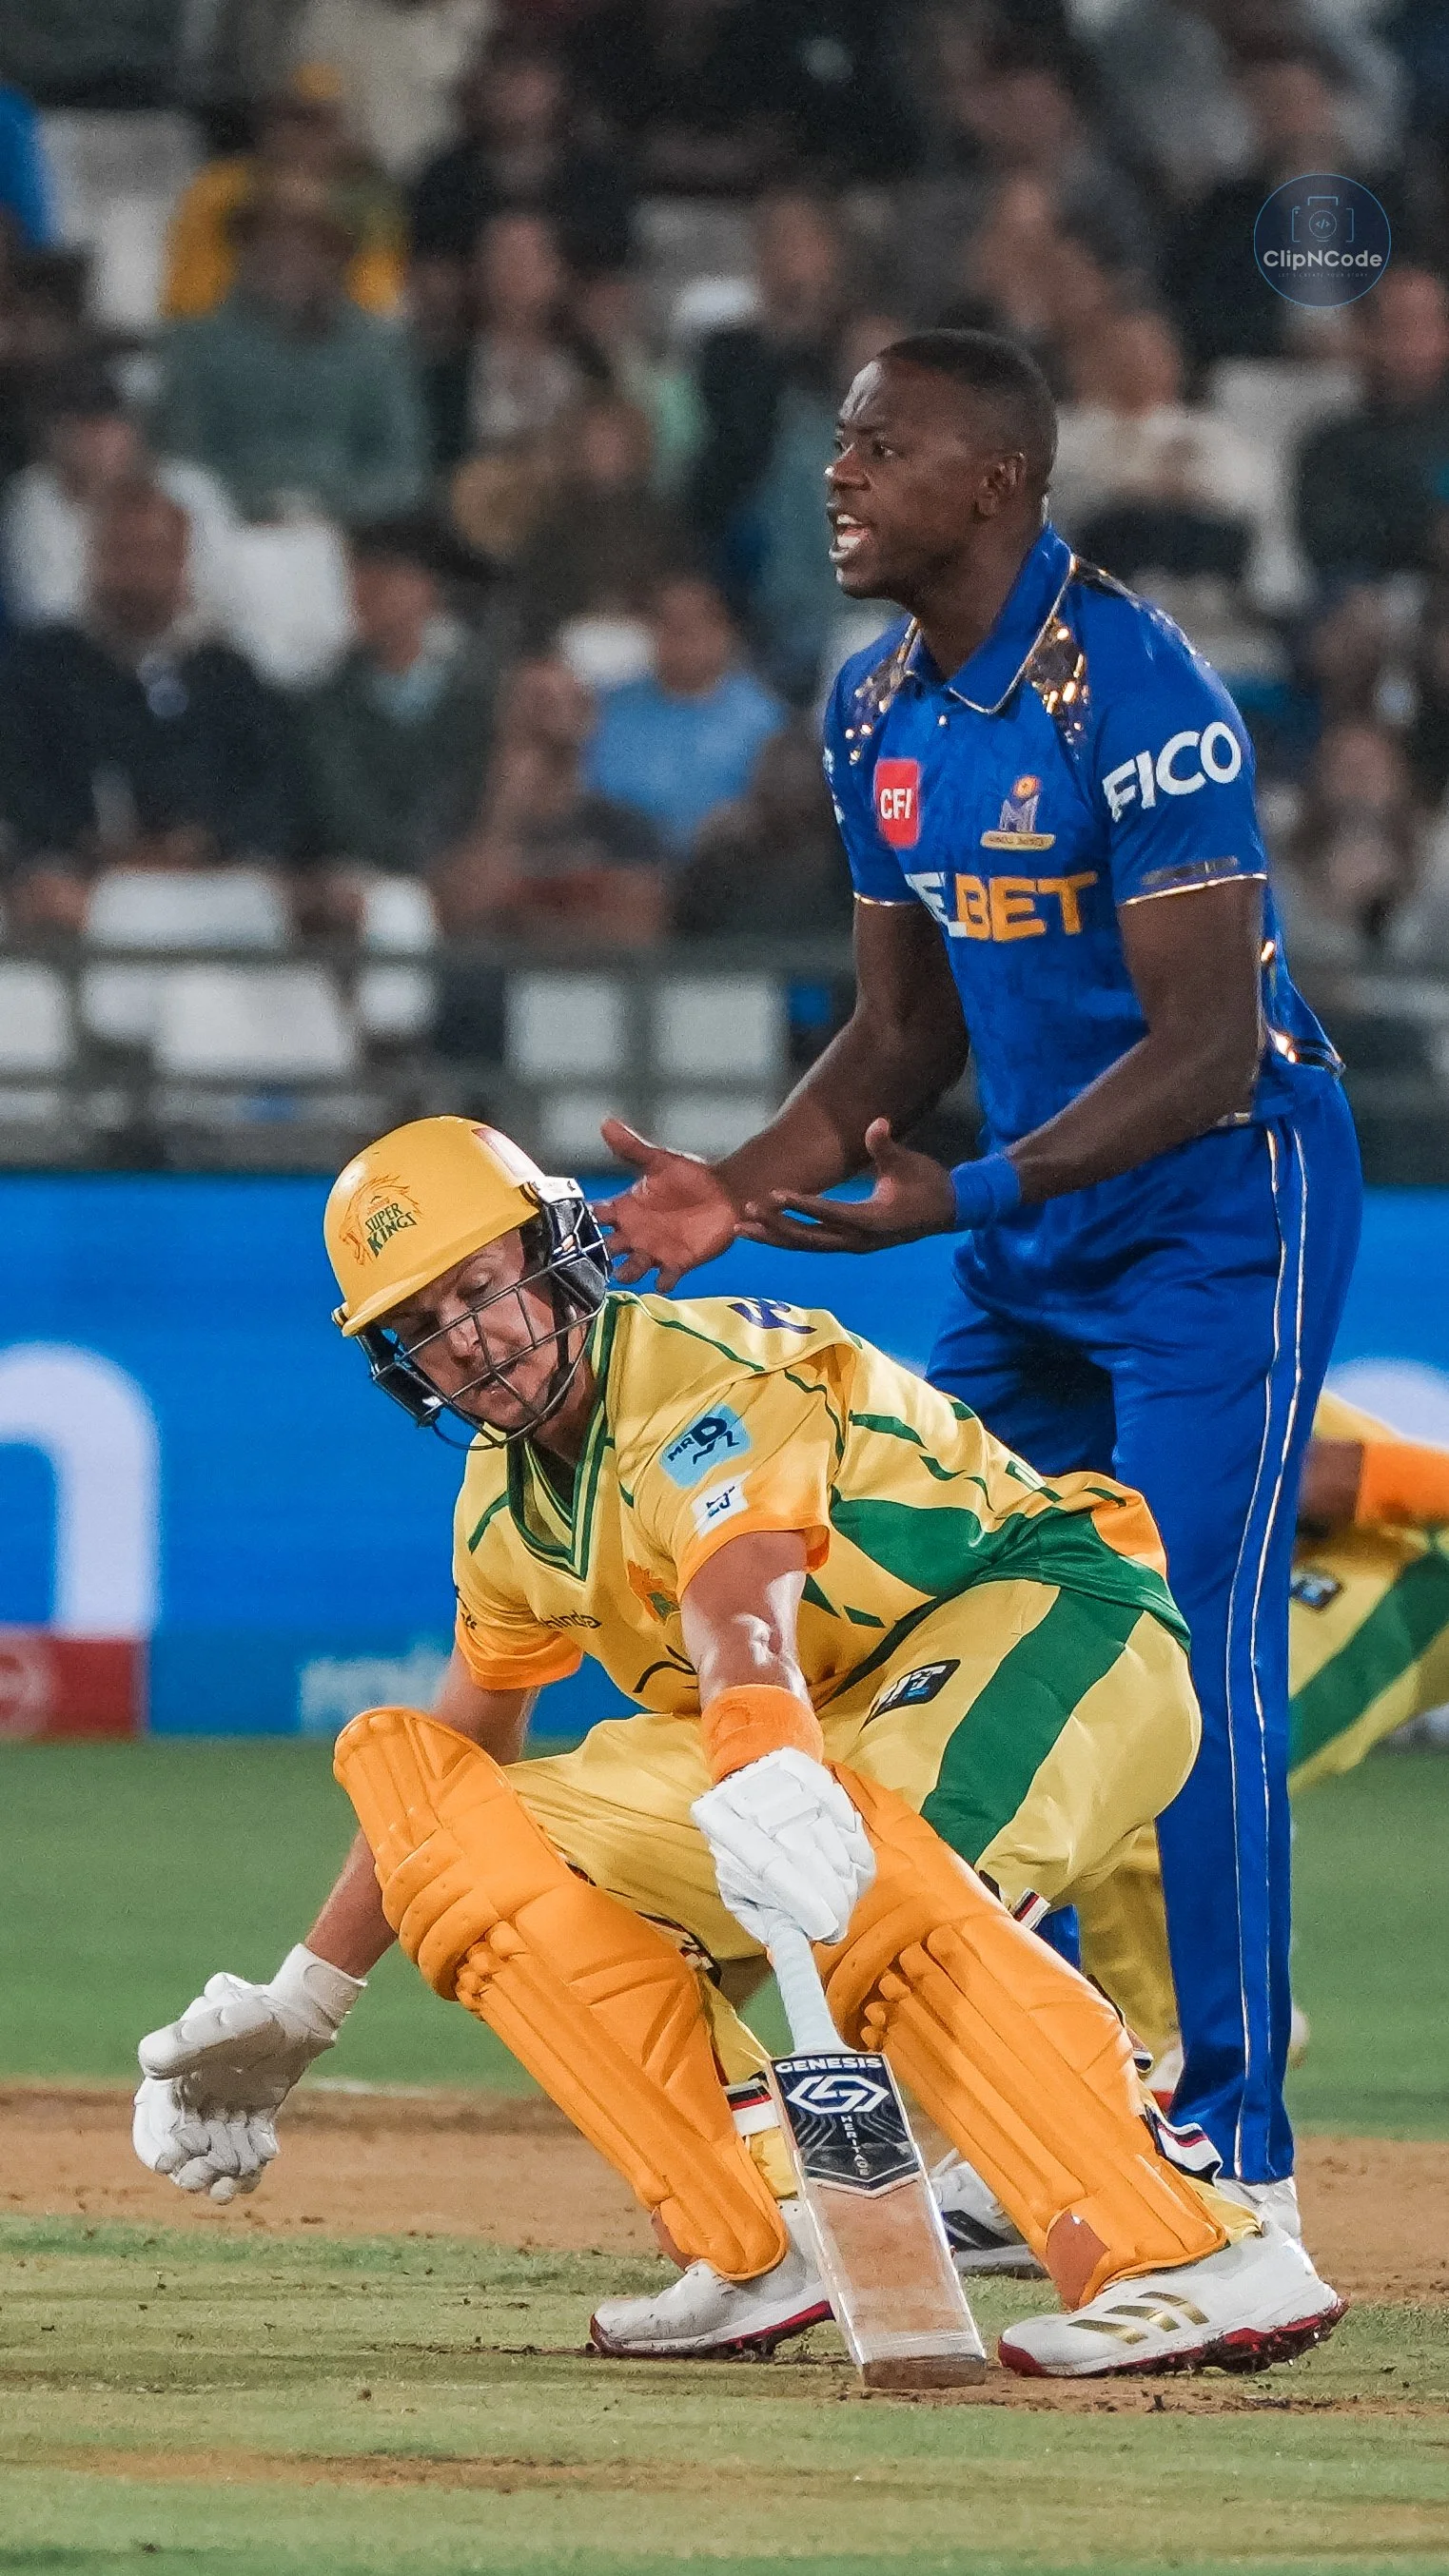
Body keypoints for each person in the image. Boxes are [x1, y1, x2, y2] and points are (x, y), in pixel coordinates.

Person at [130, 1115, 1344, 2378]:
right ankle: (765, 2236)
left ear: (556, 1255)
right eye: (424, 1321)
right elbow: (465, 1748)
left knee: (869, 1877)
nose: (469, 1340)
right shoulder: (502, 1510)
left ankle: (1194, 2251)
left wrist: (766, 1759)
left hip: (1044, 1627)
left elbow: (738, 1604)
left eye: (481, 1287)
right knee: (446, 1823)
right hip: (818, 1722)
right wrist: (302, 2002)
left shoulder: (705, 1382)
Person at [597, 328, 1364, 2230]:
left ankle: (1238, 2160)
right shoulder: (870, 715)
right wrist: (732, 1184)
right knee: (905, 1635)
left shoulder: (1141, 689)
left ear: (994, 483)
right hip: (1022, 1230)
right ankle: (984, 2092)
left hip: (1221, 1213)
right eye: (840, 444)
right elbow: (883, 1045)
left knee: (1187, 1654)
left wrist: (965, 1195)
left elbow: (1197, 1053)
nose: (836, 476)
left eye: (878, 447)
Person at [1078, 1392, 1449, 2098]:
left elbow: (1326, 1474)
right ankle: (1170, 2039)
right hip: (1336, 1537)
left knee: (1157, 1776)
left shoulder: (1149, 1323)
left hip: (1399, 1550)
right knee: (1107, 1773)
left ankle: (1181, 2066)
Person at [0, 482, 298, 930]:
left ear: (182, 561)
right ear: (93, 557)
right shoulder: (41, 670)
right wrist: (96, 847)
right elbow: (23, 786)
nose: (136, 569)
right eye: (121, 551)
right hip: (81, 890)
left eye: (153, 551)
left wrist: (201, 843)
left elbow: (265, 791)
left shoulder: (228, 676)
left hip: (212, 884)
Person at [153, 186, 427, 527]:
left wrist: (328, 509)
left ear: (338, 257)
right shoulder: (196, 346)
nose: (289, 255)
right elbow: (185, 460)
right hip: (230, 533)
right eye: (269, 240)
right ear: (243, 251)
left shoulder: (377, 349)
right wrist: (264, 507)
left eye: (311, 245)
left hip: (357, 538)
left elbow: (403, 468)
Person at [296, 515, 505, 906]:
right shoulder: (324, 703)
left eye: (389, 578)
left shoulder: (479, 699)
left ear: (428, 589)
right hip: (359, 886)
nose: (370, 593)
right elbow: (339, 807)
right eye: (360, 579)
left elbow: (478, 795)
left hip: (461, 886)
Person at [431, 654, 666, 944]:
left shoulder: (623, 826)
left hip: (591, 983)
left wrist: (520, 907)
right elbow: (452, 912)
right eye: (537, 701)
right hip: (491, 980)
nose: (547, 715)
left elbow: (637, 930)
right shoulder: (458, 813)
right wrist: (505, 812)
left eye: (569, 700)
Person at [1, 359, 236, 636]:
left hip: (187, 651)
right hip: (78, 663)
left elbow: (225, 593)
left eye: (109, 422)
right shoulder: (34, 499)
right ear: (53, 434)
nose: (97, 438)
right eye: (81, 425)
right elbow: (47, 608)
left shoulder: (190, 487)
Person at [162, 62, 405, 322]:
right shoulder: (217, 187)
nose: (302, 136)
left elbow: (377, 299)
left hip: (332, 347)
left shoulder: (372, 200)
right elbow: (190, 292)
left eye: (319, 123)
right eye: (291, 118)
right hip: (230, 342)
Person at [583, 572, 787, 853]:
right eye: (667, 626)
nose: (678, 642)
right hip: (614, 859)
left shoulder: (764, 720)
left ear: (723, 634)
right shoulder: (611, 707)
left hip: (717, 868)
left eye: (690, 629)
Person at [1296, 267, 1449, 585]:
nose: (1411, 344)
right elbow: (1325, 540)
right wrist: (1425, 533)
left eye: (1425, 325)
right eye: (1397, 326)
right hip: (1364, 591)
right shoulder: (1331, 444)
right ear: (1365, 337)